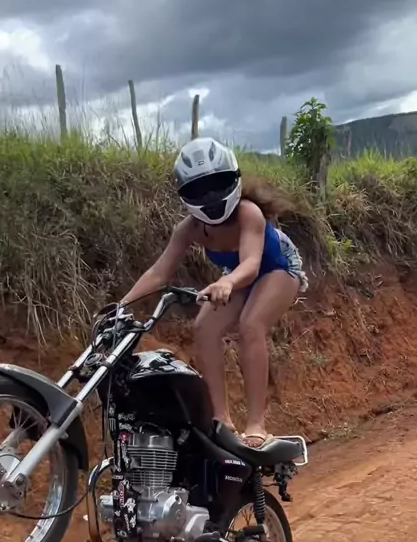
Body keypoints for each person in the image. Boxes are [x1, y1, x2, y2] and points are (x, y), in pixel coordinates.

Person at [121, 137, 308, 449]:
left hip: (278, 266)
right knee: (204, 327)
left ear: (233, 180)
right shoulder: (189, 229)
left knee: (251, 325)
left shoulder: (248, 213)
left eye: (217, 185)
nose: (209, 197)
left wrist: (228, 282)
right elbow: (158, 273)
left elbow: (251, 264)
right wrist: (122, 305)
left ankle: (256, 424)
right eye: (199, 190)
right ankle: (221, 420)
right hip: (236, 275)